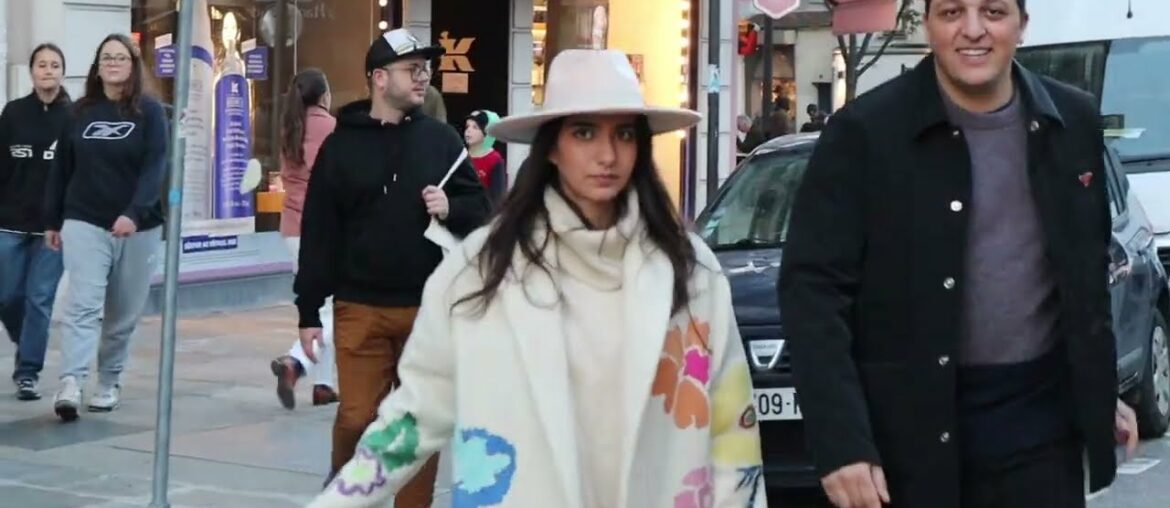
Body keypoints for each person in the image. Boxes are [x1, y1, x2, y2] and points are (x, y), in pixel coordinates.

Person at [308, 48, 766, 508]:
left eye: (624, 134)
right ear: (552, 146)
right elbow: (415, 414)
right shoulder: (483, 271)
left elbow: (733, 436)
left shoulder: (689, 271)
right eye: (584, 132)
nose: (607, 154)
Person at [777, 1, 1138, 507]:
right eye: (951, 12)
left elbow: (1084, 272)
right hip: (910, 440)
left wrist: (1098, 392)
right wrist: (841, 443)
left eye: (992, 11)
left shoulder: (1071, 121)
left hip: (1042, 433)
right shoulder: (865, 133)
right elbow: (812, 291)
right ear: (926, 24)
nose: (973, 31)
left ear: (1022, 23)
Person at [293, 28, 491, 503]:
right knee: (357, 417)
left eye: (425, 69)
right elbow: (319, 230)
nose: (423, 78)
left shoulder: (441, 140)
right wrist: (307, 309)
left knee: (415, 427)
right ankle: (344, 492)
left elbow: (481, 208)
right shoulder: (340, 146)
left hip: (427, 310)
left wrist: (451, 205)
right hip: (358, 306)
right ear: (379, 79)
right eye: (412, 69)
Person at [43, 34, 167, 421]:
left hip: (138, 226)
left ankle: (108, 381)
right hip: (85, 220)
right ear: (97, 67)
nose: (112, 63)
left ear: (133, 65)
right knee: (83, 305)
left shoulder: (149, 112)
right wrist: (52, 219)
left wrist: (134, 211)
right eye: (105, 58)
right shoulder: (78, 113)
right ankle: (71, 382)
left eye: (120, 57)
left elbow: (155, 168)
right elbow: (61, 169)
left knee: (121, 315)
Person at [0, 43, 71, 401]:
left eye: (54, 65)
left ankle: (28, 372)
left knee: (39, 299)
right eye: (41, 65)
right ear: (32, 73)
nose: (48, 71)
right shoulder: (13, 113)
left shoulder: (73, 116)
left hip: (52, 229)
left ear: (62, 72)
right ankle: (26, 338)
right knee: (7, 296)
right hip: (9, 222)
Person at [270, 68, 338, 410]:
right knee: (334, 308)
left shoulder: (290, 128)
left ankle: (325, 385)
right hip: (324, 227)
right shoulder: (329, 126)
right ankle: (295, 363)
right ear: (324, 96)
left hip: (292, 227)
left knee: (321, 303)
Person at [464, 109, 507, 204]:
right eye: (467, 126)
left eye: (475, 127)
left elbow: (498, 196)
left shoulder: (494, 159)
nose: (468, 131)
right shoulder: (461, 156)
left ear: (486, 132)